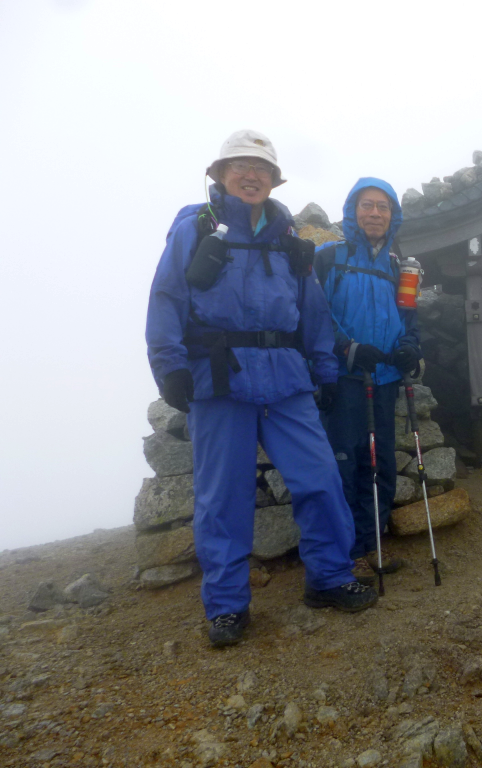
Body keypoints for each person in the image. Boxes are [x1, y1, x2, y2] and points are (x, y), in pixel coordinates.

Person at [146, 130, 377, 648]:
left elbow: (312, 310)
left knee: (319, 478)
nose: (251, 175)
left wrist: (326, 369)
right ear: (221, 174)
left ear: (274, 180)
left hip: (285, 377)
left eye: (262, 168)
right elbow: (166, 296)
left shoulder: (289, 238)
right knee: (222, 499)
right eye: (240, 166)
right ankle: (227, 607)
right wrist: (170, 365)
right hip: (220, 377)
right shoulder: (195, 227)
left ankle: (330, 577)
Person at [314, 178, 422, 585]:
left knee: (379, 466)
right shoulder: (329, 258)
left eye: (383, 207)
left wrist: (410, 346)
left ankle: (371, 544)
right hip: (344, 379)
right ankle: (345, 555)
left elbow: (410, 320)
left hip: (386, 377)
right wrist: (346, 349)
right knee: (346, 462)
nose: (375, 213)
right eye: (367, 206)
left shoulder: (398, 268)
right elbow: (312, 317)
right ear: (352, 211)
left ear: (393, 216)